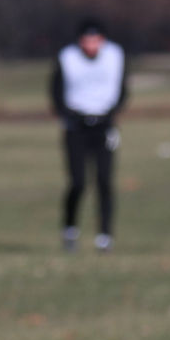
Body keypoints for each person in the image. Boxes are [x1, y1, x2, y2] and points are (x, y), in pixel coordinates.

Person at [50, 18, 127, 253]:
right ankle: (70, 230)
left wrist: (112, 114)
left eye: (96, 39)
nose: (91, 45)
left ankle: (105, 236)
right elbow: (56, 92)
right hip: (76, 127)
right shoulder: (67, 59)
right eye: (86, 39)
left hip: (104, 125)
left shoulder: (115, 55)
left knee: (104, 181)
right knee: (78, 182)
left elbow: (123, 89)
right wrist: (69, 115)